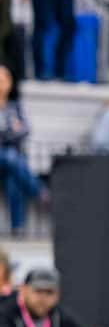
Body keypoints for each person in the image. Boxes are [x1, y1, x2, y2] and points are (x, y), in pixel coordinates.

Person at [0, 268, 86, 327]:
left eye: (49, 292)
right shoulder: (5, 310)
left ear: (58, 294)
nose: (43, 298)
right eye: (38, 290)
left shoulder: (59, 314)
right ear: (23, 290)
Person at [0, 65, 43, 235]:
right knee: (12, 157)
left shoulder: (15, 106)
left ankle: (18, 228)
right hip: (9, 155)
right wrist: (11, 130)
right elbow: (13, 132)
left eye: (3, 80)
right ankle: (40, 192)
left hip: (12, 159)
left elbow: (25, 129)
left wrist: (7, 132)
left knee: (13, 179)